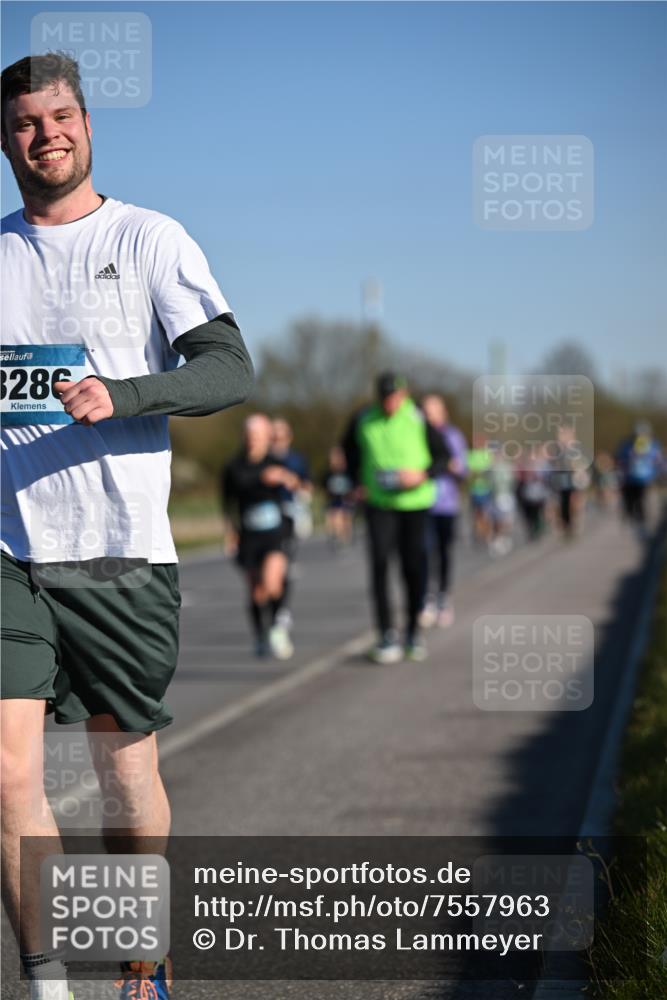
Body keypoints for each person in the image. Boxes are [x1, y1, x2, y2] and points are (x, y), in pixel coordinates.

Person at [0, 53, 253, 1000]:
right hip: (9, 551)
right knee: (5, 771)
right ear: (4, 138)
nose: (45, 135)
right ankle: (49, 980)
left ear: (88, 125)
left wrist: (127, 393)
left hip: (119, 556)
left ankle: (142, 964)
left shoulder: (150, 239)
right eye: (25, 122)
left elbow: (229, 368)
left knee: (124, 782)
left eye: (60, 115)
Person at [342, 372, 450, 663]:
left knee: (413, 568)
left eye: (394, 396)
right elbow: (348, 452)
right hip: (379, 504)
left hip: (414, 504)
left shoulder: (418, 418)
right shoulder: (363, 419)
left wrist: (422, 474)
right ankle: (386, 634)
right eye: (384, 397)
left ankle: (413, 632)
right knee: (378, 565)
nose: (389, 402)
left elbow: (444, 457)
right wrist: (355, 482)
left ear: (403, 394)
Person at [222, 415, 298, 659]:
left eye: (258, 436)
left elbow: (299, 485)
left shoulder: (277, 462)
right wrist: (230, 532)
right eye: (249, 436)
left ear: (267, 438)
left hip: (275, 532)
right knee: (256, 591)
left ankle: (278, 624)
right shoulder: (234, 467)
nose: (253, 440)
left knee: (273, 581)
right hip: (248, 534)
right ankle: (260, 635)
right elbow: (228, 503)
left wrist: (287, 479)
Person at [418, 394, 467, 628]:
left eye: (433, 411)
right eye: (425, 411)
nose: (429, 416)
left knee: (444, 553)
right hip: (422, 503)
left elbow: (462, 469)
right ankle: (426, 598)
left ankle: (443, 598)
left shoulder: (453, 436)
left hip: (446, 504)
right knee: (425, 552)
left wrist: (450, 466)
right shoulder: (417, 435)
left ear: (443, 412)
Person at [270, 418, 312, 627]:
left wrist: (294, 483)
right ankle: (270, 607)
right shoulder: (263, 458)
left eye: (281, 436)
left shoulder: (296, 459)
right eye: (274, 435)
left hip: (288, 514)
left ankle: (281, 608)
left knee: (282, 565)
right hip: (266, 517)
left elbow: (307, 487)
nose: (278, 440)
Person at [615, 422, 663, 529]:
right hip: (628, 479)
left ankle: (641, 523)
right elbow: (619, 459)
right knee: (630, 501)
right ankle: (631, 519)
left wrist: (659, 472)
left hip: (645, 479)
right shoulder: (626, 445)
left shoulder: (654, 445)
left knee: (642, 500)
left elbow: (659, 461)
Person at [321, 445, 355, 550]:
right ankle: (337, 537)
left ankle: (345, 537)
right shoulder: (329, 474)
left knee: (346, 519)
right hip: (334, 500)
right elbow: (324, 486)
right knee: (335, 517)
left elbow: (352, 485)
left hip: (346, 499)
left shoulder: (347, 472)